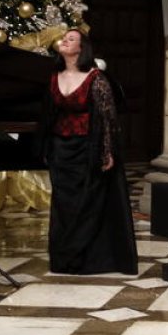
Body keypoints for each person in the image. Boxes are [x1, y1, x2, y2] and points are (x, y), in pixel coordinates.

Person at [38, 29, 137, 275]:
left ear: (81, 48)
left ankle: (86, 258)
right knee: (63, 204)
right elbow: (48, 116)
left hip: (86, 149)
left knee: (86, 203)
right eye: (64, 38)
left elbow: (108, 119)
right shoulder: (54, 76)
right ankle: (64, 258)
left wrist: (107, 153)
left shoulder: (96, 78)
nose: (64, 41)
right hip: (61, 150)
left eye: (71, 39)